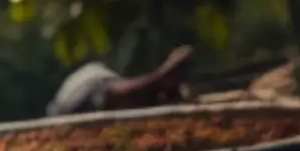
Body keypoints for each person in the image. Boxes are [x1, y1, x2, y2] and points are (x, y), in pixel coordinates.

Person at [43, 45, 195, 117]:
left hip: (94, 84)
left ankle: (161, 79)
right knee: (111, 94)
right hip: (85, 95)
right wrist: (161, 76)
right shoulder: (96, 91)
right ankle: (161, 78)